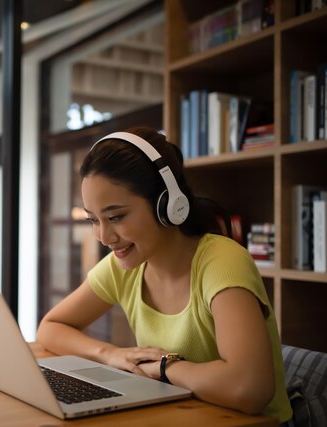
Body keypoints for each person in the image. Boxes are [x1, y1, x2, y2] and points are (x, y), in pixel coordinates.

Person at [36, 127, 293, 424]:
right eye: (94, 220)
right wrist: (109, 355)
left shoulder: (222, 262)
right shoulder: (124, 266)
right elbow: (51, 326)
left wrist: (162, 368)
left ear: (168, 205)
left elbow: (248, 389)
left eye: (116, 217)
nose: (104, 237)